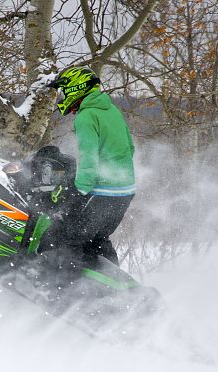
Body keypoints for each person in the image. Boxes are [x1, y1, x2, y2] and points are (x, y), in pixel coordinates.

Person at [43, 65, 136, 268]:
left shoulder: (86, 117)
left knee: (63, 238)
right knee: (97, 240)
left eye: (65, 90)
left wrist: (78, 189)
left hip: (102, 192)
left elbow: (89, 158)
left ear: (78, 87)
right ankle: (115, 287)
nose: (63, 95)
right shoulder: (111, 111)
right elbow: (130, 148)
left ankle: (67, 293)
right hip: (125, 192)